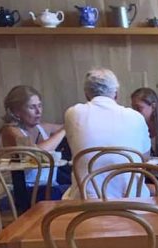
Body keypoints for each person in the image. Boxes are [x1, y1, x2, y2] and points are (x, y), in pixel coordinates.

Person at [65, 68, 151, 198]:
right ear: (116, 94)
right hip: (135, 204)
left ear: (86, 95)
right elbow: (144, 158)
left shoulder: (73, 113)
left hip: (86, 208)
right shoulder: (136, 116)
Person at [0, 85, 68, 206]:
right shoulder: (10, 131)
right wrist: (63, 130)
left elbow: (72, 126)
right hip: (15, 194)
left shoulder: (43, 128)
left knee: (74, 190)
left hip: (45, 190)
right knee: (62, 194)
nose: (38, 111)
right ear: (16, 111)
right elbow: (35, 153)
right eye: (32, 107)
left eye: (40, 105)